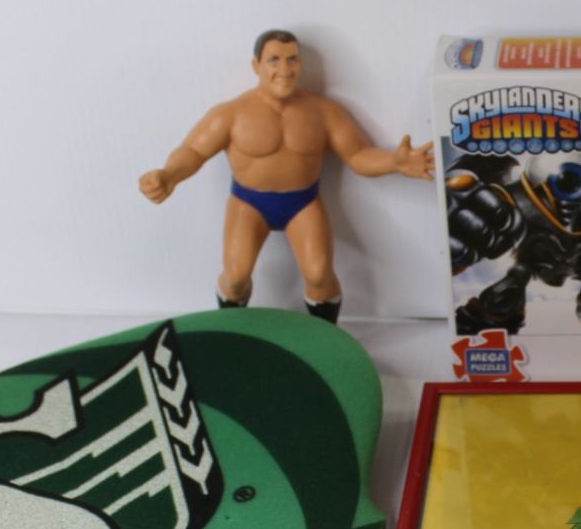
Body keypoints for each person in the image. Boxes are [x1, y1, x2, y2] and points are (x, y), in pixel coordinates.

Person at [139, 29, 434, 322]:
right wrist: (169, 175)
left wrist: (395, 162)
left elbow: (358, 155)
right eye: (274, 60)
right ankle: (230, 330)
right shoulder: (231, 114)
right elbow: (193, 150)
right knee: (236, 275)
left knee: (319, 274)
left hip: (302, 203)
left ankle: (324, 333)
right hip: (248, 203)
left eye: (292, 59)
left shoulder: (323, 112)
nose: (284, 69)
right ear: (256, 65)